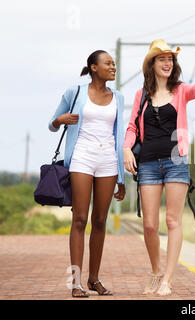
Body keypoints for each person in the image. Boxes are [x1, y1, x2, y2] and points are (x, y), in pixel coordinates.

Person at [123, 39, 195, 296]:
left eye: (170, 59)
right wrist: (127, 148)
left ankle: (168, 280)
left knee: (172, 220)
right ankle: (155, 271)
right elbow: (131, 127)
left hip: (176, 162)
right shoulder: (141, 95)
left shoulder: (181, 90)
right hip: (148, 163)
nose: (167, 63)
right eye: (162, 59)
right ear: (152, 64)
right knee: (149, 225)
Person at [49, 50, 126, 298]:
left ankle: (94, 279)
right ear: (94, 67)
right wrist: (61, 119)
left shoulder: (119, 97)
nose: (113, 67)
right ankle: (76, 282)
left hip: (108, 162)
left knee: (101, 221)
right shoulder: (76, 92)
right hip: (81, 157)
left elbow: (119, 135)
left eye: (114, 64)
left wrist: (121, 177)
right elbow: (52, 123)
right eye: (108, 63)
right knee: (80, 219)